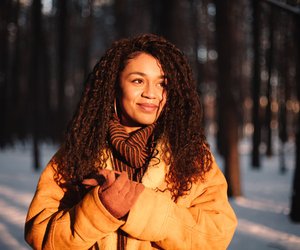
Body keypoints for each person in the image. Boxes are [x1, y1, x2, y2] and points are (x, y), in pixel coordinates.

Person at [25, 33, 237, 250]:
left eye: (162, 84)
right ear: (114, 85)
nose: (151, 94)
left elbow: (217, 234)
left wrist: (137, 207)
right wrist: (99, 210)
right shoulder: (79, 151)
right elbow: (40, 234)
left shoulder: (190, 155)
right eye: (138, 80)